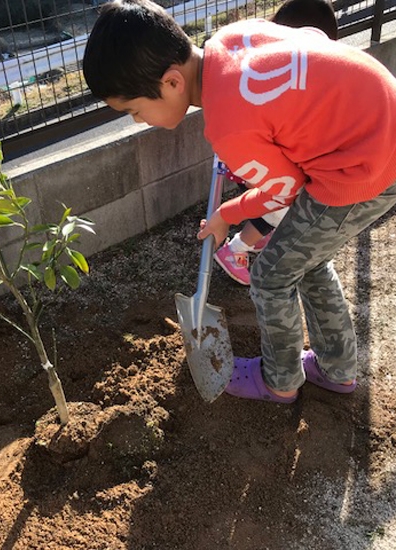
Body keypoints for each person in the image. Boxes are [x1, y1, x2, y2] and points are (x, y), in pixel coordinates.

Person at [82, 0, 396, 404]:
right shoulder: (231, 40)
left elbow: (286, 190)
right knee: (308, 258)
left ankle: (279, 381)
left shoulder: (230, 128)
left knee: (271, 273)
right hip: (379, 119)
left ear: (173, 83)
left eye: (135, 110)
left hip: (363, 167)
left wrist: (225, 215)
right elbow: (307, 48)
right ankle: (336, 369)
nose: (138, 121)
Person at [215, 0, 338, 286]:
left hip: (254, 164)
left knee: (274, 207)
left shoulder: (269, 69)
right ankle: (236, 250)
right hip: (258, 167)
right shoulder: (289, 79)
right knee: (280, 207)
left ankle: (255, 239)